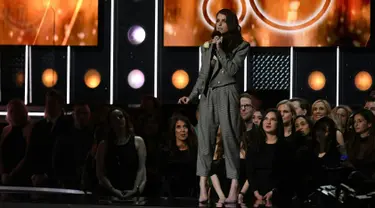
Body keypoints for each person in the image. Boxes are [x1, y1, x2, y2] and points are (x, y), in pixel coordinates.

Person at [178, 8, 250, 206]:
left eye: (223, 20)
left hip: (228, 92)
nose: (218, 24)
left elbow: (232, 69)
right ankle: (203, 186)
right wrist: (192, 96)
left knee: (229, 139)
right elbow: (203, 75)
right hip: (208, 94)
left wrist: (219, 50)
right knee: (205, 141)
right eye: (217, 20)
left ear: (231, 23)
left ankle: (234, 186)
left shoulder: (242, 46)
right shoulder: (207, 46)